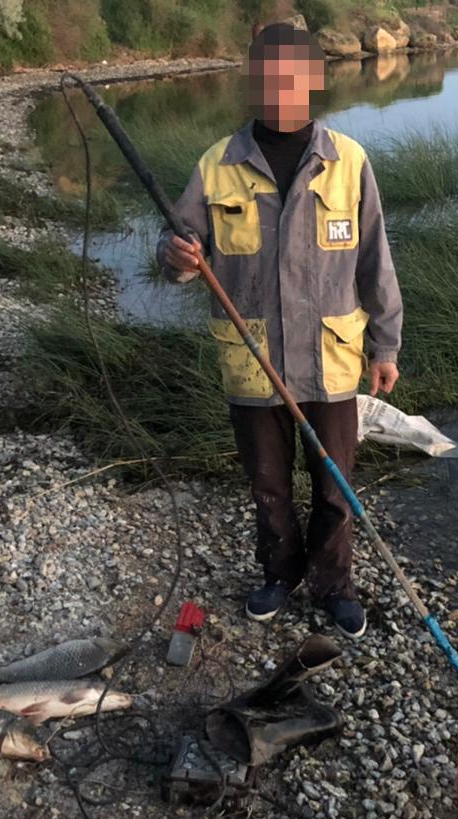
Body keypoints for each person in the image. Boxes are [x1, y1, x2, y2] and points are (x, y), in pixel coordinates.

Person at [156, 22, 402, 640]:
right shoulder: (216, 166)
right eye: (269, 75)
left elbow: (376, 260)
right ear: (253, 82)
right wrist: (177, 256)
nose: (282, 88)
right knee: (267, 485)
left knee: (334, 486)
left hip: (332, 364)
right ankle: (278, 573)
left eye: (295, 75)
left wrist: (387, 345)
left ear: (314, 81)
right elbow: (178, 245)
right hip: (253, 361)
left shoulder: (350, 162)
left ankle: (334, 585)